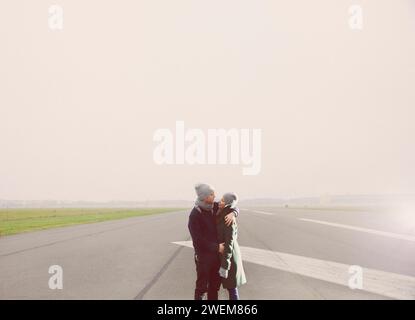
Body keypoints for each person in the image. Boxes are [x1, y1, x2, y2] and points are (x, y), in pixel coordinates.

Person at [188, 183, 238, 300]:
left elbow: (232, 205)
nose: (215, 196)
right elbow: (198, 240)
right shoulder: (195, 215)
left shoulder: (214, 207)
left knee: (214, 288)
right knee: (201, 289)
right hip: (203, 259)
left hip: (216, 258)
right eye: (211, 194)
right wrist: (217, 247)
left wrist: (233, 213)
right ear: (204, 197)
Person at [216, 192, 247, 300]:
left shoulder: (228, 218)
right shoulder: (222, 211)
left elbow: (229, 243)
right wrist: (235, 211)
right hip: (223, 255)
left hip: (229, 256)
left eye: (223, 200)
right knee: (229, 288)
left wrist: (225, 266)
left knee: (232, 289)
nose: (220, 202)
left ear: (228, 204)